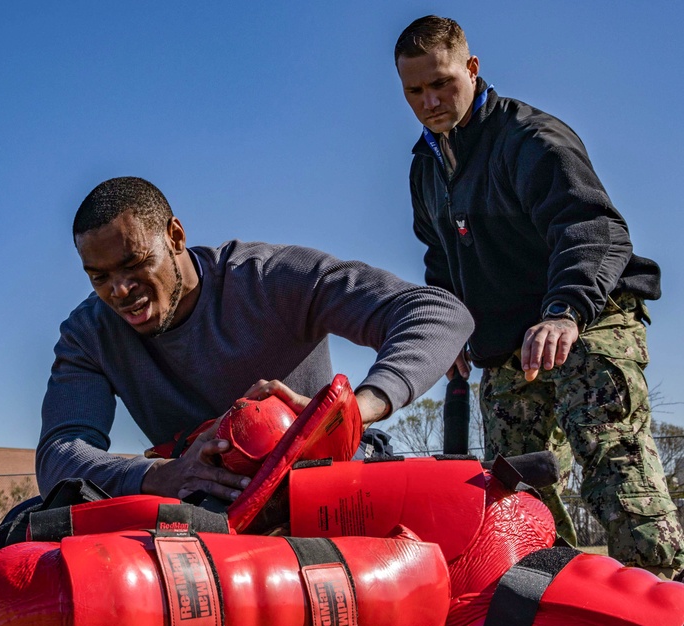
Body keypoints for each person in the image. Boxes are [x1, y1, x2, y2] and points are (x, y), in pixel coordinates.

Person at [394, 15, 684, 575]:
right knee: (514, 495)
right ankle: (558, 609)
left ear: (472, 69)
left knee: (613, 467)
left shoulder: (529, 138)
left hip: (585, 319)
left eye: (443, 83)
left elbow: (593, 228)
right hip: (507, 345)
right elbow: (440, 261)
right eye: (415, 90)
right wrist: (448, 329)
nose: (430, 100)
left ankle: (668, 616)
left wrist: (564, 312)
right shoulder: (424, 170)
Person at [37, 176, 474, 505]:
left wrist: (349, 414)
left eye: (134, 264)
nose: (119, 290)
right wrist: (160, 475)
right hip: (206, 513)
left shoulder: (272, 279)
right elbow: (60, 454)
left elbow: (438, 312)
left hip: (327, 488)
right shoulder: (87, 335)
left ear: (175, 237)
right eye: (100, 277)